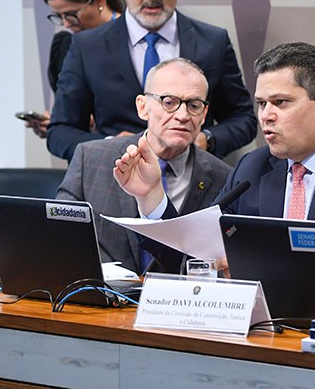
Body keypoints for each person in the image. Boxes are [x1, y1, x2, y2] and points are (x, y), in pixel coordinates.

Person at [114, 42, 315, 303]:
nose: (266, 116)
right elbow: (195, 259)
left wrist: (264, 263)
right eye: (261, 104)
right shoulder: (254, 167)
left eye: (280, 102)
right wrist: (152, 197)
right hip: (271, 331)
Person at [47, 0, 257, 161]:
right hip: (114, 185)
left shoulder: (213, 42)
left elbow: (243, 119)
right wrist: (110, 146)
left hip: (194, 188)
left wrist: (205, 140)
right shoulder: (86, 47)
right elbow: (59, 133)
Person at [57, 58, 232, 273]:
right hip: (101, 299)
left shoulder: (224, 178)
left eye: (194, 105)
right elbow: (60, 234)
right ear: (142, 107)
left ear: (204, 114)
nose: (183, 115)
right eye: (169, 102)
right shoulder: (91, 158)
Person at [24, 0, 126, 139]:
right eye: (58, 16)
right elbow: (70, 116)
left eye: (71, 14)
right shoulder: (66, 47)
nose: (65, 23)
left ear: (99, 1)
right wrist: (57, 123)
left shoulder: (137, 41)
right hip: (89, 159)